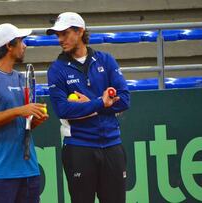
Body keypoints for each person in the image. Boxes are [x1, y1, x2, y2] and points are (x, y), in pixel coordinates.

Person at [46, 12, 130, 203]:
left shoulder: (106, 60)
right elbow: (63, 109)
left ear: (80, 31)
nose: (60, 39)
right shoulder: (56, 69)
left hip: (112, 145)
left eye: (65, 33)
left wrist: (90, 103)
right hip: (78, 148)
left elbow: (124, 99)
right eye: (58, 35)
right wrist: (100, 102)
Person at [0, 23, 48, 203]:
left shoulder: (21, 79)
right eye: (21, 41)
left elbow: (22, 123)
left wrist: (34, 119)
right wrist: (20, 111)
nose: (25, 45)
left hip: (28, 170)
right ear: (9, 46)